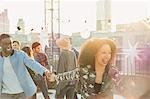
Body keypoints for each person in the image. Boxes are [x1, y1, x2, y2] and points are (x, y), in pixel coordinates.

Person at [0, 34, 52, 99]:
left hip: (22, 92)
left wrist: (45, 71)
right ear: (0, 45)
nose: (9, 46)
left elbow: (32, 63)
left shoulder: (20, 55)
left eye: (10, 43)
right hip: (5, 94)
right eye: (5, 44)